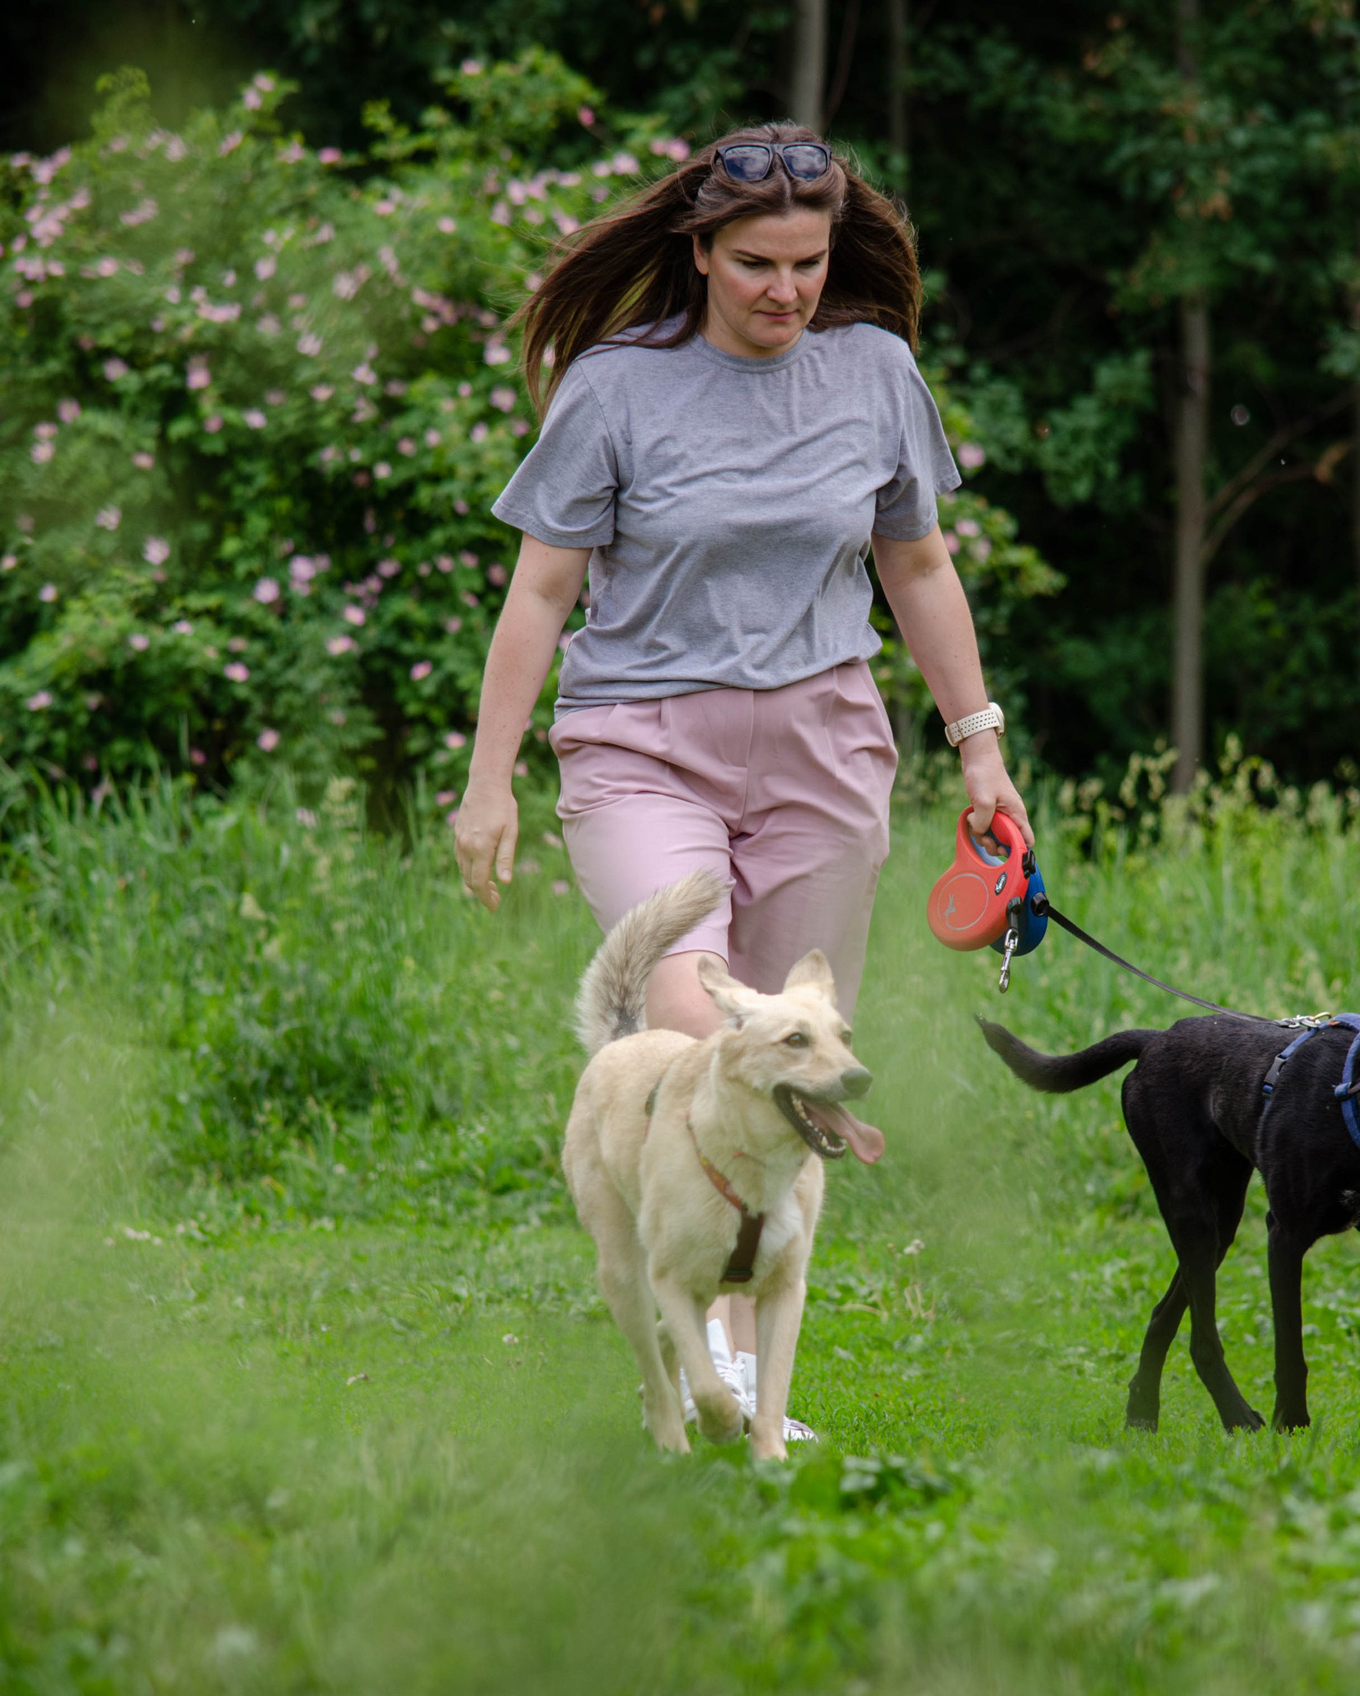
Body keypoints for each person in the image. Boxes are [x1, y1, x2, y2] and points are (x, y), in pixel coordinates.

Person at [450, 122, 1031, 1437]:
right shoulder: (618, 389)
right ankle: (713, 1367)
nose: (786, 291)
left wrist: (981, 749)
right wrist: (490, 782)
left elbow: (919, 566)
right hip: (642, 741)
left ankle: (750, 1376)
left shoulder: (875, 372)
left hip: (827, 745)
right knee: (693, 1010)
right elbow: (541, 589)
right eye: (757, 263)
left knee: (795, 1064)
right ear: (700, 251)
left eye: (809, 263)